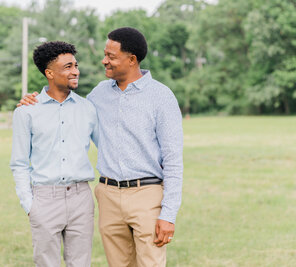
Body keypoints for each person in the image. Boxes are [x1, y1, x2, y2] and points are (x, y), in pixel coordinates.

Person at [19, 27, 183, 267]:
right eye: (105, 54)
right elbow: (67, 105)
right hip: (108, 197)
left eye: (111, 56)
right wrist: (34, 100)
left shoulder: (161, 96)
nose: (104, 60)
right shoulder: (98, 94)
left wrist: (168, 214)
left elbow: (173, 159)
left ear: (132, 59)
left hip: (147, 195)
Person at [10, 41, 98, 267]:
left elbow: (108, 148)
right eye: (68, 66)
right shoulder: (26, 111)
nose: (76, 71)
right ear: (49, 73)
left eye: (76, 65)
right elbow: (19, 163)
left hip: (81, 198)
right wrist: (29, 204)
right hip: (44, 200)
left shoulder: (87, 108)